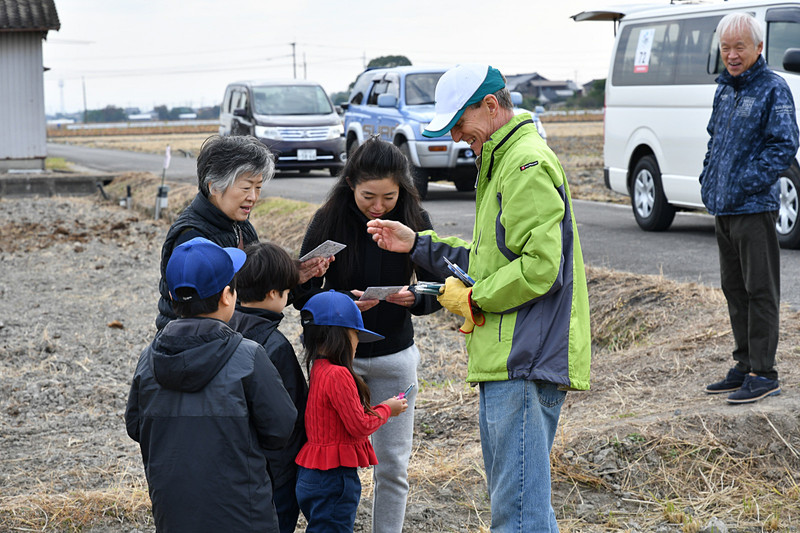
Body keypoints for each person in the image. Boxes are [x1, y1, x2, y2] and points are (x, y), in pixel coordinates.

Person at [367, 64, 591, 533]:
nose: (456, 137)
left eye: (459, 124)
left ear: (491, 106)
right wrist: (417, 244)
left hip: (523, 357)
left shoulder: (524, 164)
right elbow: (490, 259)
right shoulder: (503, 161)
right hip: (510, 356)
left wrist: (474, 298)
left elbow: (541, 268)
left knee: (518, 516)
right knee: (525, 509)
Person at [292, 137, 442, 532]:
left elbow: (440, 288)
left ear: (402, 189)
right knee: (330, 457)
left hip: (396, 355)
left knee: (393, 465)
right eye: (368, 197)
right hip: (339, 361)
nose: (378, 206)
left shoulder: (415, 218)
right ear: (350, 185)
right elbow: (300, 295)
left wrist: (416, 298)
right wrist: (340, 305)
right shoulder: (329, 219)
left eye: (388, 197)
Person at [125, 237, 297, 532]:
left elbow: (135, 426)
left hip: (174, 515)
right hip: (243, 516)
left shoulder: (148, 358)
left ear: (171, 295)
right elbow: (281, 428)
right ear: (228, 296)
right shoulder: (249, 356)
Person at [700, 13, 799, 404]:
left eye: (739, 46)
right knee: (735, 289)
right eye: (725, 47)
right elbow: (714, 141)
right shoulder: (724, 90)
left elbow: (784, 145)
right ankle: (743, 365)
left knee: (760, 290)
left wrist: (746, 182)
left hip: (754, 207)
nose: (732, 55)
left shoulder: (773, 88)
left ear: (758, 47)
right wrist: (708, 179)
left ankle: (764, 372)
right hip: (723, 208)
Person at [156, 134, 328, 330]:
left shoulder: (241, 226)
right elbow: (204, 315)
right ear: (214, 186)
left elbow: (258, 298)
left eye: (258, 187)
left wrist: (293, 279)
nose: (253, 197)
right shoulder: (191, 238)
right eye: (246, 187)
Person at [295, 290, 408, 533]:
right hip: (333, 479)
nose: (357, 343)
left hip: (310, 476)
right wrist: (387, 409)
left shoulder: (318, 368)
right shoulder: (339, 374)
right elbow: (359, 426)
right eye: (356, 334)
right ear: (340, 335)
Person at [228, 241, 308, 533]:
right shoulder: (275, 346)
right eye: (287, 292)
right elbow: (292, 412)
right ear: (274, 293)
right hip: (275, 475)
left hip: (233, 470)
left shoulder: (224, 331)